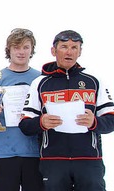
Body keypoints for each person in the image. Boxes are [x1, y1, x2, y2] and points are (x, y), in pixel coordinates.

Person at [19, 30, 114, 191]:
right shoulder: (40, 83)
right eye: (64, 46)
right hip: (53, 161)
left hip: (89, 161)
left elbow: (111, 120)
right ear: (53, 51)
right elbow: (25, 125)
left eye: (74, 47)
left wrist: (94, 122)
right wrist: (41, 122)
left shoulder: (94, 81)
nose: (69, 51)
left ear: (80, 51)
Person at [0, 28, 42, 191]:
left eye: (26, 47)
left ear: (32, 50)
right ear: (9, 49)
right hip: (3, 152)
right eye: (16, 47)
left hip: (34, 152)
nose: (21, 52)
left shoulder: (40, 79)